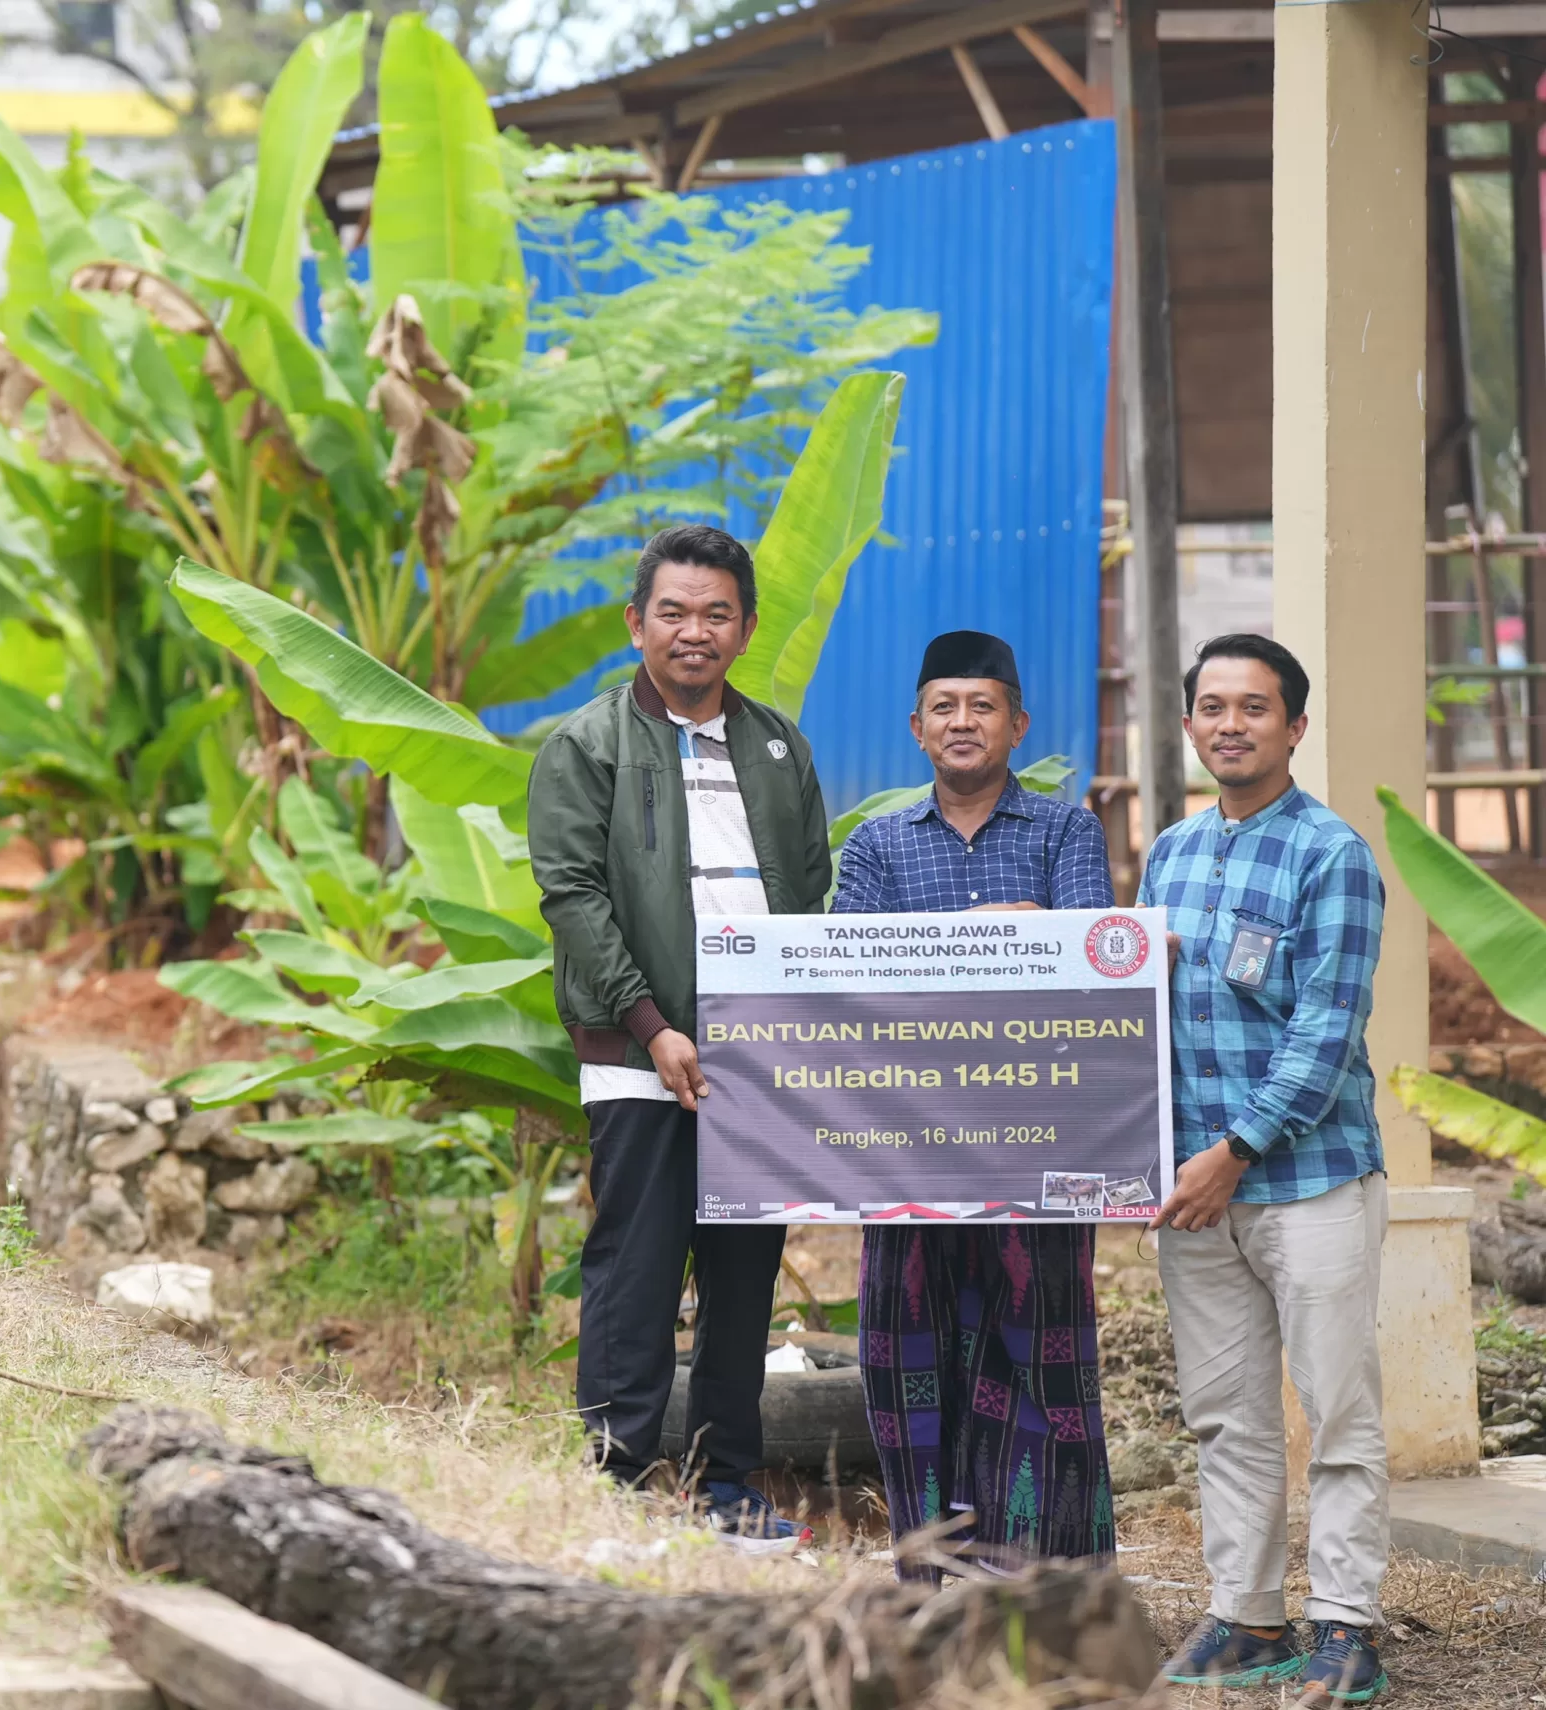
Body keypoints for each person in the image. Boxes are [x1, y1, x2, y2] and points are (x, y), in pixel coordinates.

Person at [528, 523, 829, 1541]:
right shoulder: (588, 743)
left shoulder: (777, 744)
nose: (692, 631)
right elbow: (572, 897)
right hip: (636, 1055)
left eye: (714, 613)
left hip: (755, 1060)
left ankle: (727, 1481)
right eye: (672, 612)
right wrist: (651, 1026)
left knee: (742, 1274)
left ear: (743, 627)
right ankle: (614, 1474)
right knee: (638, 1266)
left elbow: (809, 881)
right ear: (635, 625)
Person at [832, 631, 1118, 1575]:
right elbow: (855, 980)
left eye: (983, 706)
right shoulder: (873, 846)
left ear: (1017, 724)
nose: (964, 723)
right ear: (917, 729)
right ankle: (929, 1570)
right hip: (904, 1145)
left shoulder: (1068, 832)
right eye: (945, 708)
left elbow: (1084, 965)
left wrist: (979, 947)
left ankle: (1044, 1571)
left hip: (1038, 1139)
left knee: (1040, 1347)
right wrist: (996, 933)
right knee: (907, 1350)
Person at [1144, 634, 1391, 1706]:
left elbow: (1324, 1033)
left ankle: (1346, 1624)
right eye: (1211, 706)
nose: (1229, 723)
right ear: (1189, 724)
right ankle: (1247, 1618)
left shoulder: (1330, 854)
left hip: (1307, 1181)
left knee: (1335, 1408)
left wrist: (1231, 1154)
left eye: (1253, 707)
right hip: (1192, 1193)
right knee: (1224, 1413)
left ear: (1294, 728)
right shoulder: (1167, 854)